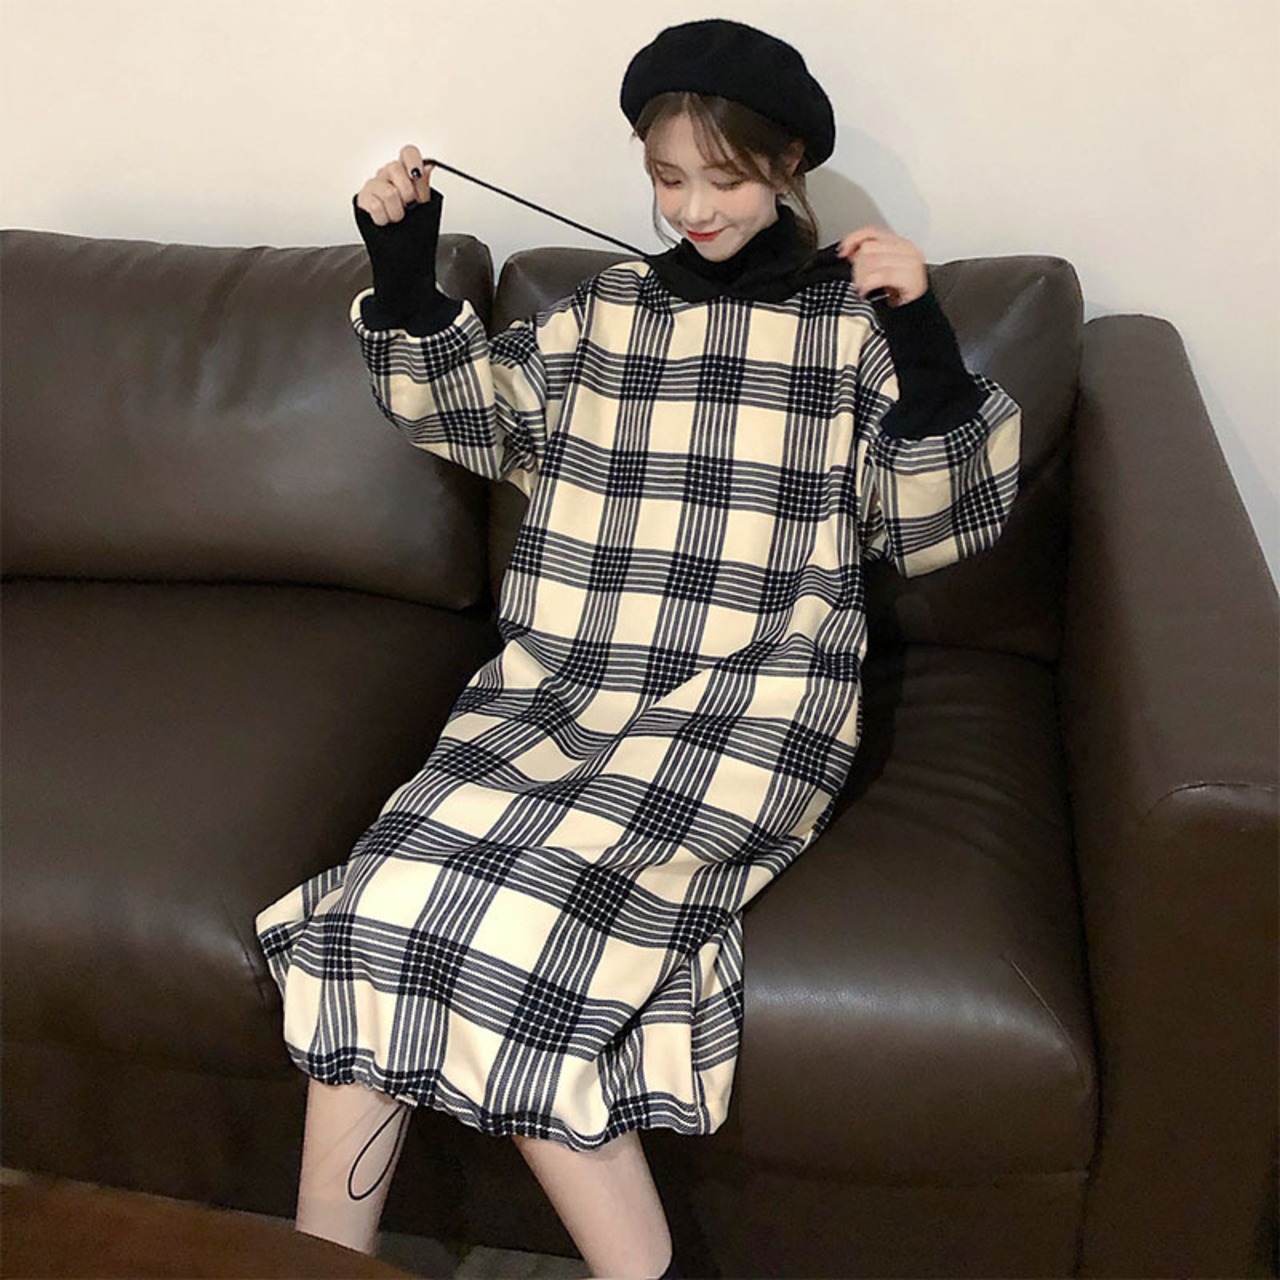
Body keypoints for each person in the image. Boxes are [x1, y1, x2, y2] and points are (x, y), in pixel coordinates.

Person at [255, 18, 1020, 1279]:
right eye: (667, 178)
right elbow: (475, 416)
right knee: (376, 905)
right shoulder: (606, 310)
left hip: (750, 702)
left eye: (723, 178)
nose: (693, 208)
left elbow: (939, 523)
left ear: (786, 167)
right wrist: (403, 271)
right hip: (559, 687)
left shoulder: (849, 327)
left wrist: (925, 340)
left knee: (522, 933)